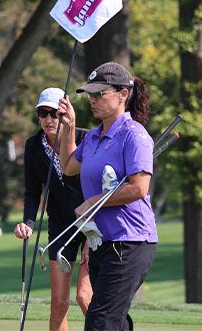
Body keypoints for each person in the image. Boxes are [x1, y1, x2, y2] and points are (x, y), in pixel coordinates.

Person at [58, 62, 156, 331]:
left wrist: (93, 202)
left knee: (100, 321)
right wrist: (69, 127)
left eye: (100, 93)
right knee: (114, 322)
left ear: (123, 94)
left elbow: (138, 188)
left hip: (130, 241)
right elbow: (68, 166)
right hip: (103, 242)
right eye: (90, 94)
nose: (93, 99)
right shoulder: (91, 138)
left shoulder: (134, 135)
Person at [14, 87, 93, 331]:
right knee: (59, 303)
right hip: (60, 225)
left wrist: (92, 238)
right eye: (43, 113)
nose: (49, 120)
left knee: (85, 297)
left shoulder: (86, 139)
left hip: (94, 224)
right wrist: (27, 223)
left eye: (55, 114)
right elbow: (31, 191)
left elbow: (102, 186)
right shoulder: (33, 146)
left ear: (65, 114)